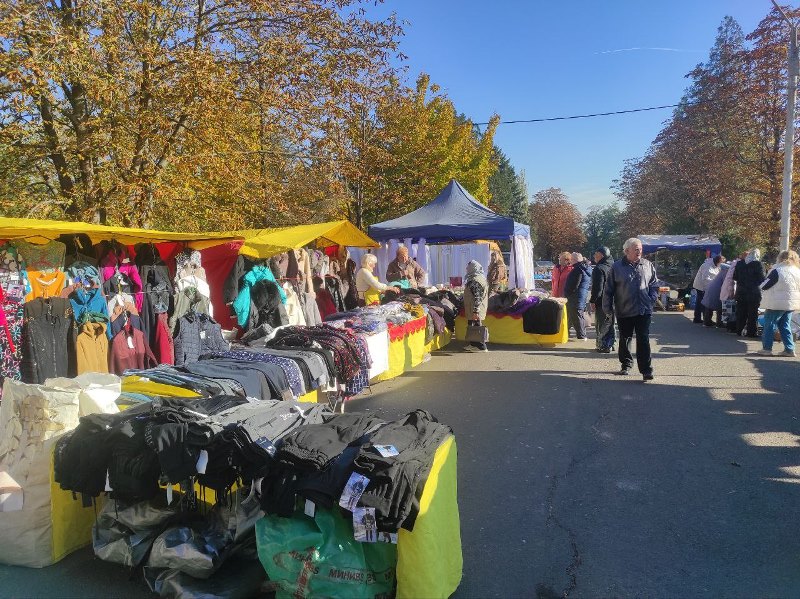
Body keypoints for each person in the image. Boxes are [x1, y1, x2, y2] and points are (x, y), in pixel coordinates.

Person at [603, 237, 660, 381]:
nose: (639, 251)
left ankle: (646, 370)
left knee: (643, 339)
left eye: (640, 249)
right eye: (636, 249)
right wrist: (607, 308)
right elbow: (608, 290)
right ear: (626, 251)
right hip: (624, 309)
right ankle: (626, 364)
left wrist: (652, 299)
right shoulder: (616, 267)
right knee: (625, 338)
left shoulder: (647, 265)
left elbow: (654, 285)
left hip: (643, 310)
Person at [756, 249, 800, 357]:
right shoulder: (797, 271)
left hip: (776, 303)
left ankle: (767, 349)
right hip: (791, 303)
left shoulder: (777, 270)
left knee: (769, 324)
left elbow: (764, 285)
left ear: (781, 258)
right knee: (785, 325)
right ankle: (789, 349)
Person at [733, 248, 765, 338]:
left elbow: (735, 277)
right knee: (752, 313)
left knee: (741, 312)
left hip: (741, 291)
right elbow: (762, 279)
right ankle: (751, 332)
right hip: (753, 292)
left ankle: (739, 330)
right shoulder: (758, 264)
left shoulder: (740, 263)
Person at [590, 246, 615, 352]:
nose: (594, 256)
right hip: (614, 300)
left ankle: (603, 345)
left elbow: (598, 288)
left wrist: (592, 301)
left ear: (601, 255)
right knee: (611, 323)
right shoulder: (613, 266)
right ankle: (611, 343)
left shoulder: (599, 268)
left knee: (601, 323)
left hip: (602, 301)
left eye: (596, 254)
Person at [563, 252, 591, 340]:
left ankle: (582, 336)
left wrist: (568, 292)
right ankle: (567, 332)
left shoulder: (578, 269)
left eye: (571, 259)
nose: (570, 261)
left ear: (574, 260)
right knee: (575, 315)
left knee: (576, 316)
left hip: (575, 296)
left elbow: (575, 284)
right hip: (580, 296)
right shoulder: (584, 268)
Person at [463, 260, 489, 352]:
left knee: (477, 327)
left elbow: (478, 298)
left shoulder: (475, 281)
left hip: (474, 308)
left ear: (472, 268)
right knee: (472, 327)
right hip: (473, 308)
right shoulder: (477, 278)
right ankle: (473, 344)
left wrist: (475, 311)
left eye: (468, 267)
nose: (466, 269)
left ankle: (482, 347)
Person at [692, 255, 722, 323]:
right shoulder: (707, 266)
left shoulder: (714, 264)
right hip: (702, 287)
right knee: (704, 302)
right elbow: (706, 279)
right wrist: (708, 290)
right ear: (717, 262)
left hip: (703, 286)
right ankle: (705, 319)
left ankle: (697, 318)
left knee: (699, 302)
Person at [701, 258, 729, 327]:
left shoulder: (721, 271)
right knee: (720, 307)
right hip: (716, 291)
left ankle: (706, 322)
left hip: (711, 289)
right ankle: (719, 323)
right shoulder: (725, 273)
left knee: (709, 306)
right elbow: (726, 284)